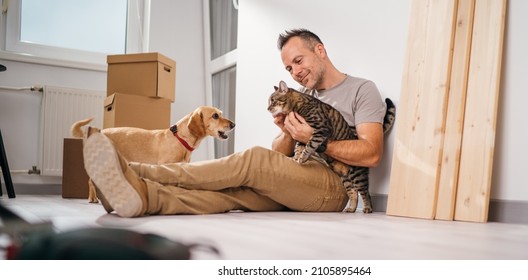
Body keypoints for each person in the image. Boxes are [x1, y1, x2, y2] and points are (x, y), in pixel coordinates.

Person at [82, 28, 387, 218]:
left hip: (335, 187)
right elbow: (280, 155)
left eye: (299, 61)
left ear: (319, 51)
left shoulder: (361, 89)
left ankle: (132, 170)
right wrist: (288, 133)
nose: (295, 71)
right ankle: (143, 198)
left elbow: (371, 153)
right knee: (230, 194)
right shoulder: (301, 97)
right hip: (299, 178)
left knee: (253, 159)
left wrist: (314, 139)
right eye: (288, 67)